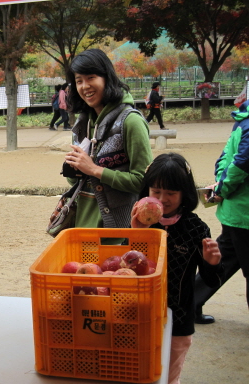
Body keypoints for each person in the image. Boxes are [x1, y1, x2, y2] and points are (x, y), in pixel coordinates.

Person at [131, 153, 223, 384]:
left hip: (179, 318)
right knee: (138, 371)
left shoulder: (196, 228)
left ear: (184, 194)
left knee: (169, 377)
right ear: (147, 191)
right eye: (156, 191)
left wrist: (213, 263)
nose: (162, 199)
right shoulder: (140, 219)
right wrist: (137, 233)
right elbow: (127, 267)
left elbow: (212, 281)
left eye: (171, 193)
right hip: (139, 313)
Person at [62, 48, 153, 229]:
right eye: (78, 81)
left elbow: (143, 181)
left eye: (91, 78)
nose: (84, 86)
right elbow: (76, 182)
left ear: (107, 78)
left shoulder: (131, 121)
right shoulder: (82, 124)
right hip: (82, 225)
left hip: (119, 230)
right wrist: (73, 169)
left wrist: (95, 170)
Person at [194, 99, 249, 324]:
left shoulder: (242, 119)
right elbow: (241, 163)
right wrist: (222, 189)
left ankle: (191, 302)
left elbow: (225, 157)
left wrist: (220, 185)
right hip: (244, 213)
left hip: (236, 212)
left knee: (225, 258)